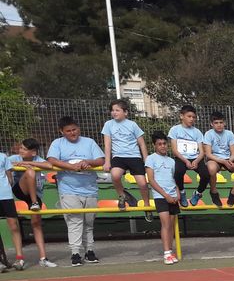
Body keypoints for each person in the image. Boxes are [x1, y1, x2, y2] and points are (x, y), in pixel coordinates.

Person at [46, 116, 105, 266]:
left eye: (74, 129)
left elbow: (101, 160)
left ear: (78, 128)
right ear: (62, 132)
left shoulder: (89, 142)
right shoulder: (57, 143)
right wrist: (70, 166)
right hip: (68, 190)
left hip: (90, 189)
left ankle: (89, 251)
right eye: (68, 131)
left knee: (89, 222)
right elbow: (52, 160)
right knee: (74, 221)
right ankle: (75, 253)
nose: (72, 133)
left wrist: (88, 162)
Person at [100, 98, 152, 220]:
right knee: (115, 175)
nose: (114, 113)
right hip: (118, 156)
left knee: (142, 183)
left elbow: (142, 144)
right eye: (112, 110)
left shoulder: (132, 125)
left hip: (134, 156)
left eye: (117, 110)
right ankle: (122, 196)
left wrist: (146, 159)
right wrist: (107, 161)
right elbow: (107, 144)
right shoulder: (108, 124)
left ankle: (146, 205)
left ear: (125, 112)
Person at [7, 139, 53, 268]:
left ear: (33, 153)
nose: (21, 150)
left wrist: (26, 163)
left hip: (35, 194)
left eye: (24, 149)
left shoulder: (38, 159)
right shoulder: (14, 157)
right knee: (30, 172)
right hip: (20, 190)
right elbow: (7, 163)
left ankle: (43, 258)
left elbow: (49, 166)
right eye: (21, 148)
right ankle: (19, 258)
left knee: (36, 224)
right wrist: (21, 165)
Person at [144, 132, 180, 265]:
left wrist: (177, 193)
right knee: (165, 225)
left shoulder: (171, 161)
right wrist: (166, 195)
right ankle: (166, 253)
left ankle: (170, 251)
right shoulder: (151, 159)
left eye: (164, 143)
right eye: (159, 144)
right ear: (154, 145)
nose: (163, 146)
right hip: (161, 197)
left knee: (170, 226)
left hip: (173, 197)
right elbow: (151, 180)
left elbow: (173, 179)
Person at [168, 104, 210, 207]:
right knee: (178, 172)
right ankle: (182, 192)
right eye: (189, 116)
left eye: (193, 117)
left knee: (206, 174)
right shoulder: (175, 130)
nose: (191, 119)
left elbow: (202, 151)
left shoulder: (197, 132)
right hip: (181, 157)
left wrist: (196, 161)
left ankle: (198, 193)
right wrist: (186, 161)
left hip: (195, 157)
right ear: (182, 116)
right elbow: (174, 150)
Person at [204, 113, 234, 207]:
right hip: (215, 159)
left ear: (225, 123)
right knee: (211, 169)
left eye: (221, 122)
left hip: (228, 159)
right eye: (216, 123)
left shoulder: (229, 133)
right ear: (212, 124)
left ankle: (233, 192)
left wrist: (228, 161)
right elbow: (208, 154)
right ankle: (213, 191)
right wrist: (222, 161)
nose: (219, 125)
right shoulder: (208, 134)